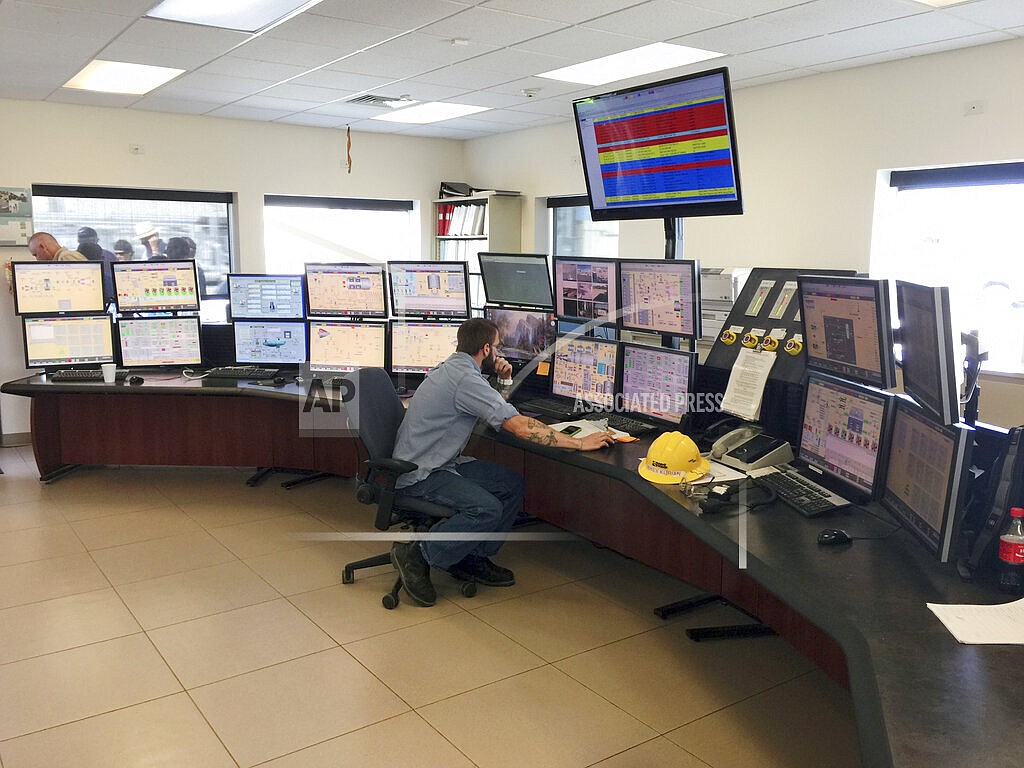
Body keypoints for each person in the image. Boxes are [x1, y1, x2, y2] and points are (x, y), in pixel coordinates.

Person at [389, 317, 614, 607]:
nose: (499, 353)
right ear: (486, 349)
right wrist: (579, 442)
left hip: (439, 461)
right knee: (487, 508)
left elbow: (493, 406)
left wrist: (503, 380)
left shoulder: (455, 368)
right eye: (497, 347)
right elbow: (518, 426)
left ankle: (469, 555)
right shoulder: (465, 380)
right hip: (419, 474)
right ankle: (417, 555)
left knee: (510, 484)